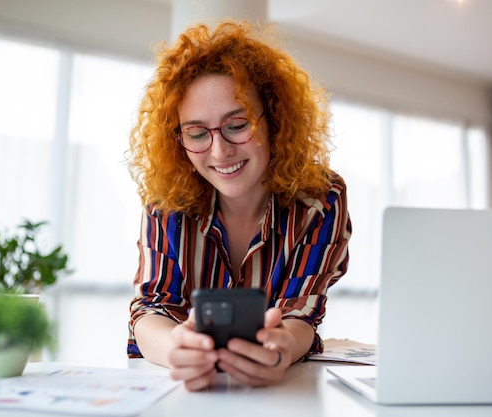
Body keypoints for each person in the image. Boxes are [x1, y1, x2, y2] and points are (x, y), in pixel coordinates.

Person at [126, 20, 351, 391]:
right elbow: (150, 308)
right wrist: (176, 348)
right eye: (197, 133)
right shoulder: (165, 203)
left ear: (274, 121)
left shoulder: (320, 200)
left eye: (237, 124)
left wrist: (280, 349)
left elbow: (301, 314)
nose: (220, 151)